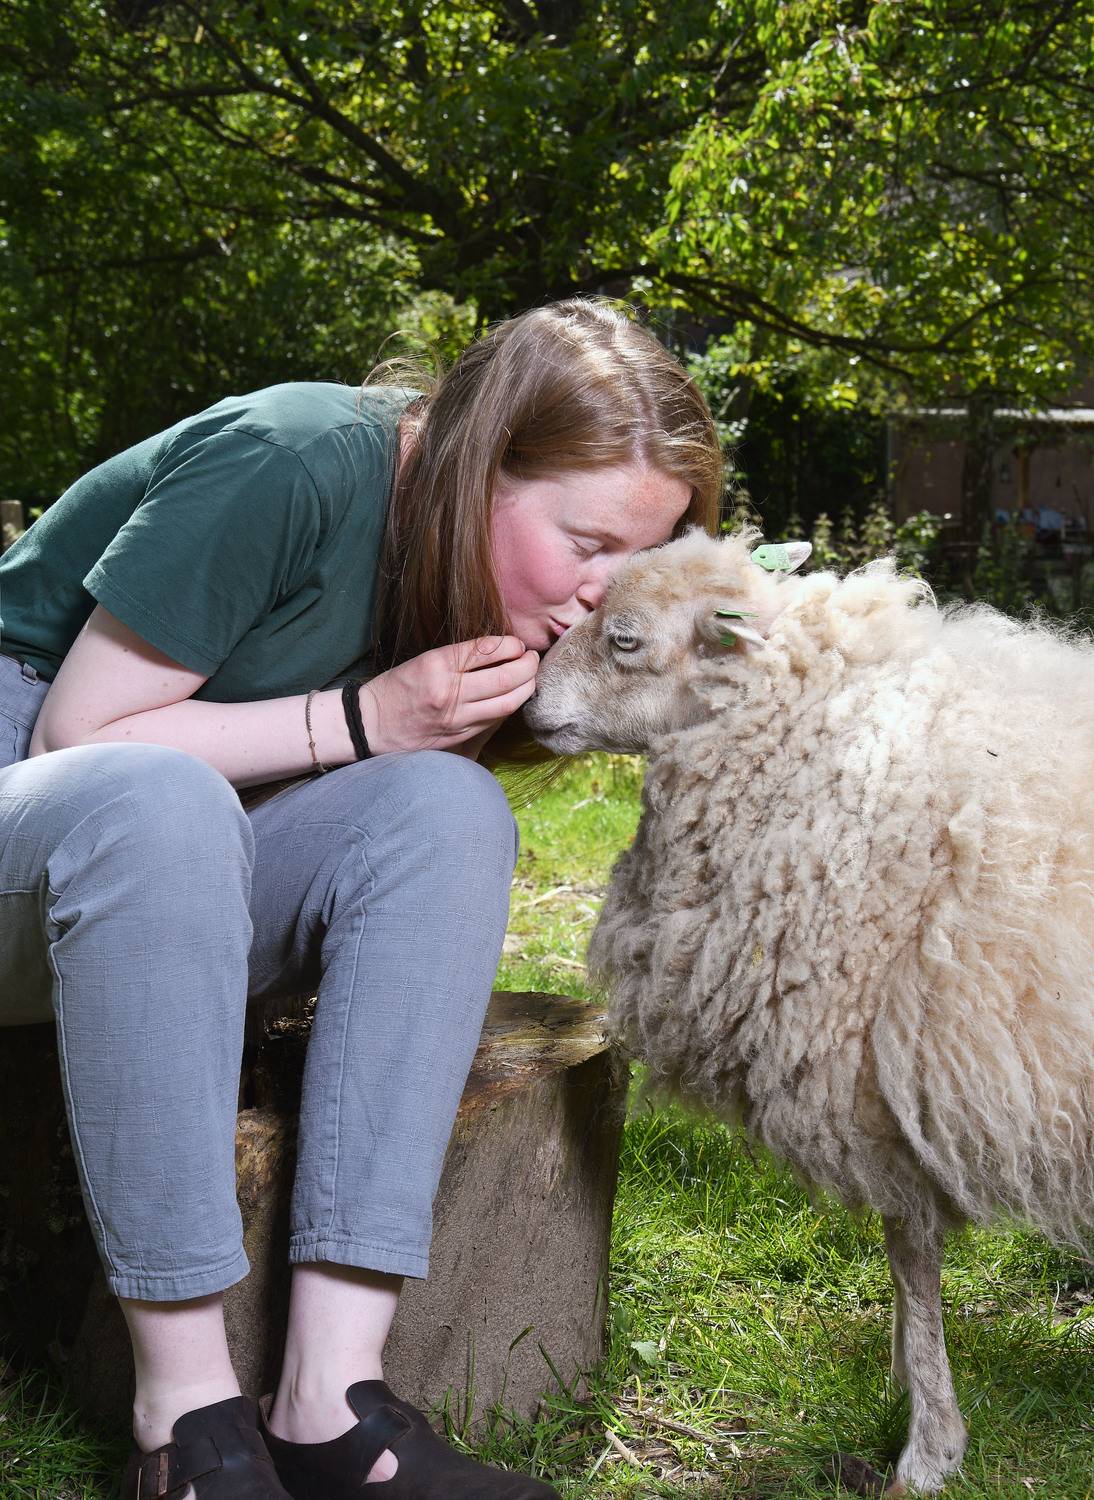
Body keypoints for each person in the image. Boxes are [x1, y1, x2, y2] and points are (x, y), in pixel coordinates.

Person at [0, 298, 722, 1499]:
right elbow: (78, 736)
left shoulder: (469, 573)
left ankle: (331, 1407)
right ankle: (189, 1426)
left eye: (629, 562)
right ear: (482, 464)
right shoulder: (291, 457)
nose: (600, 595)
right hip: (35, 801)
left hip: (165, 880)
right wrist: (360, 717)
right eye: (585, 543)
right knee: (160, 798)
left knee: (446, 808)